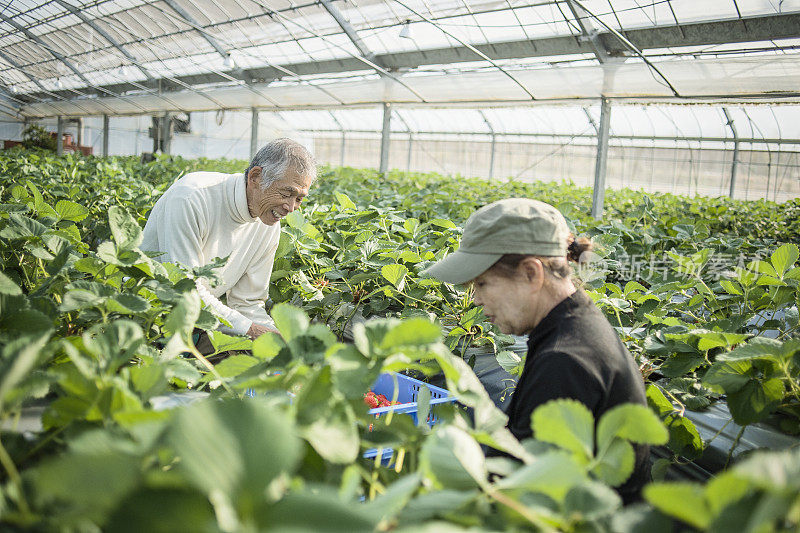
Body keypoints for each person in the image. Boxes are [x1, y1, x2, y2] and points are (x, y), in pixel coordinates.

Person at [422, 198, 649, 503]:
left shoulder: (566, 363)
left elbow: (522, 502)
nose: (476, 300)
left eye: (483, 283)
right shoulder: (573, 328)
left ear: (532, 273)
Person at [141, 138, 316, 340]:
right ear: (256, 177)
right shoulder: (191, 198)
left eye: (300, 199)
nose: (291, 207)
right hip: (150, 317)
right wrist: (250, 330)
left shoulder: (268, 222)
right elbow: (185, 289)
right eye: (287, 193)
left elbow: (248, 302)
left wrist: (275, 340)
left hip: (202, 318)